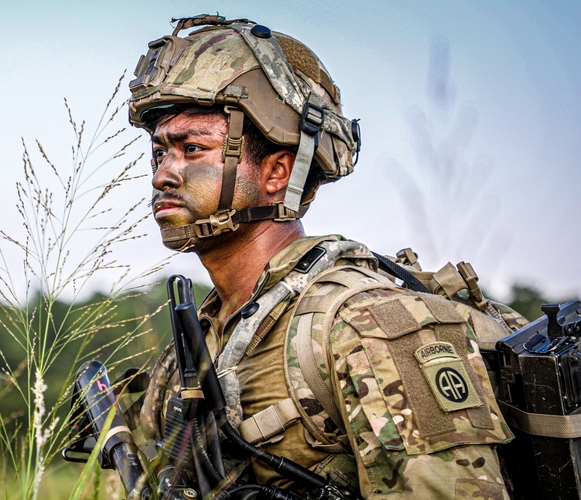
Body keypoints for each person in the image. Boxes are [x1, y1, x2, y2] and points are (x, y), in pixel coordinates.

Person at [125, 15, 523, 498]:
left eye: (192, 148)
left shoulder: (365, 323)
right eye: (159, 152)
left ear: (276, 174)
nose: (163, 175)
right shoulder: (198, 343)